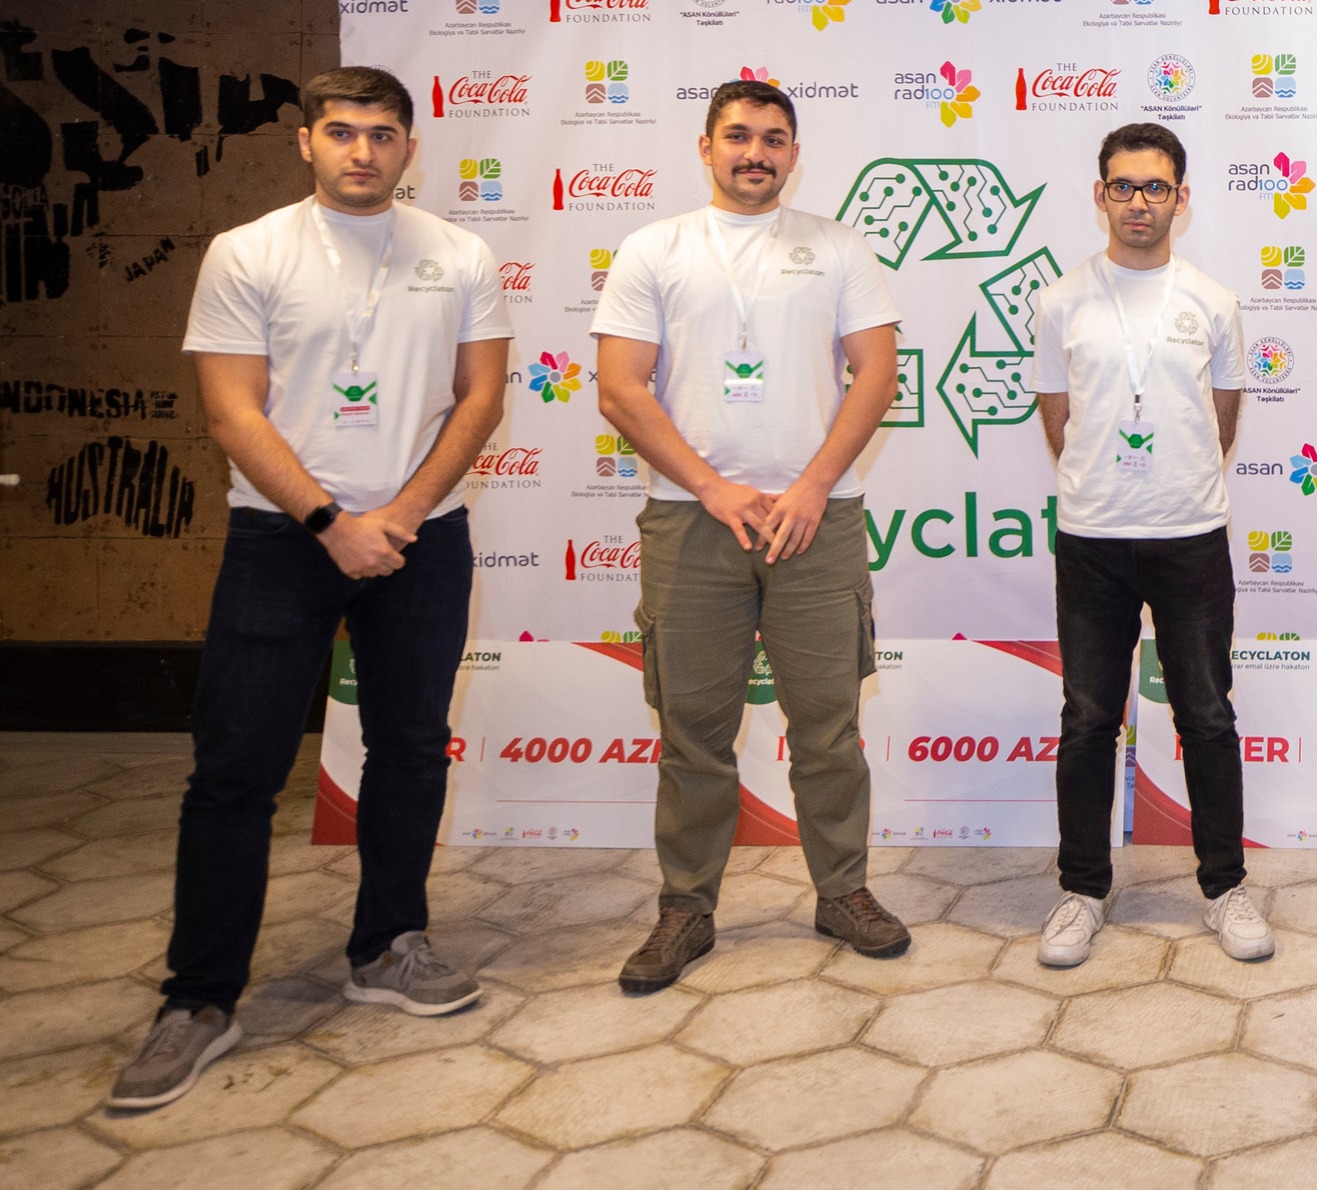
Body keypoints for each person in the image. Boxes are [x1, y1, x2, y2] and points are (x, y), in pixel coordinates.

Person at [112, 68, 511, 1109]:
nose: (361, 151)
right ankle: (200, 999)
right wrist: (332, 524)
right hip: (281, 540)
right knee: (235, 770)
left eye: (382, 134)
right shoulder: (247, 252)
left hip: (423, 538)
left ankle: (388, 946)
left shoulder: (460, 254)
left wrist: (402, 517)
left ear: (409, 146)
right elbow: (232, 412)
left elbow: (479, 398)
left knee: (410, 748)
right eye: (341, 132)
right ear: (305, 141)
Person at [594, 79, 909, 991]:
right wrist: (712, 487)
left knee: (829, 729)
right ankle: (686, 909)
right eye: (738, 136)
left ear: (794, 154)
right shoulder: (654, 248)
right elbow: (619, 388)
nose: (755, 153)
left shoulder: (839, 247)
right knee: (693, 733)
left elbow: (876, 375)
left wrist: (812, 487)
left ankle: (842, 892)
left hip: (819, 519)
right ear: (706, 147)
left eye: (774, 139)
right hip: (691, 521)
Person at [1030, 122, 1272, 967]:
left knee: (1207, 715)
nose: (1140, 201)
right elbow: (1058, 417)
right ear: (1101, 195)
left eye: (1156, 187)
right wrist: (1106, 483)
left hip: (1190, 535)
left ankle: (1225, 887)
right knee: (1088, 718)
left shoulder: (1213, 301)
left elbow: (1223, 418)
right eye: (1125, 186)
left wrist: (1172, 481)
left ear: (1181, 198)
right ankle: (1081, 891)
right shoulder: (1060, 301)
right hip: (1093, 536)